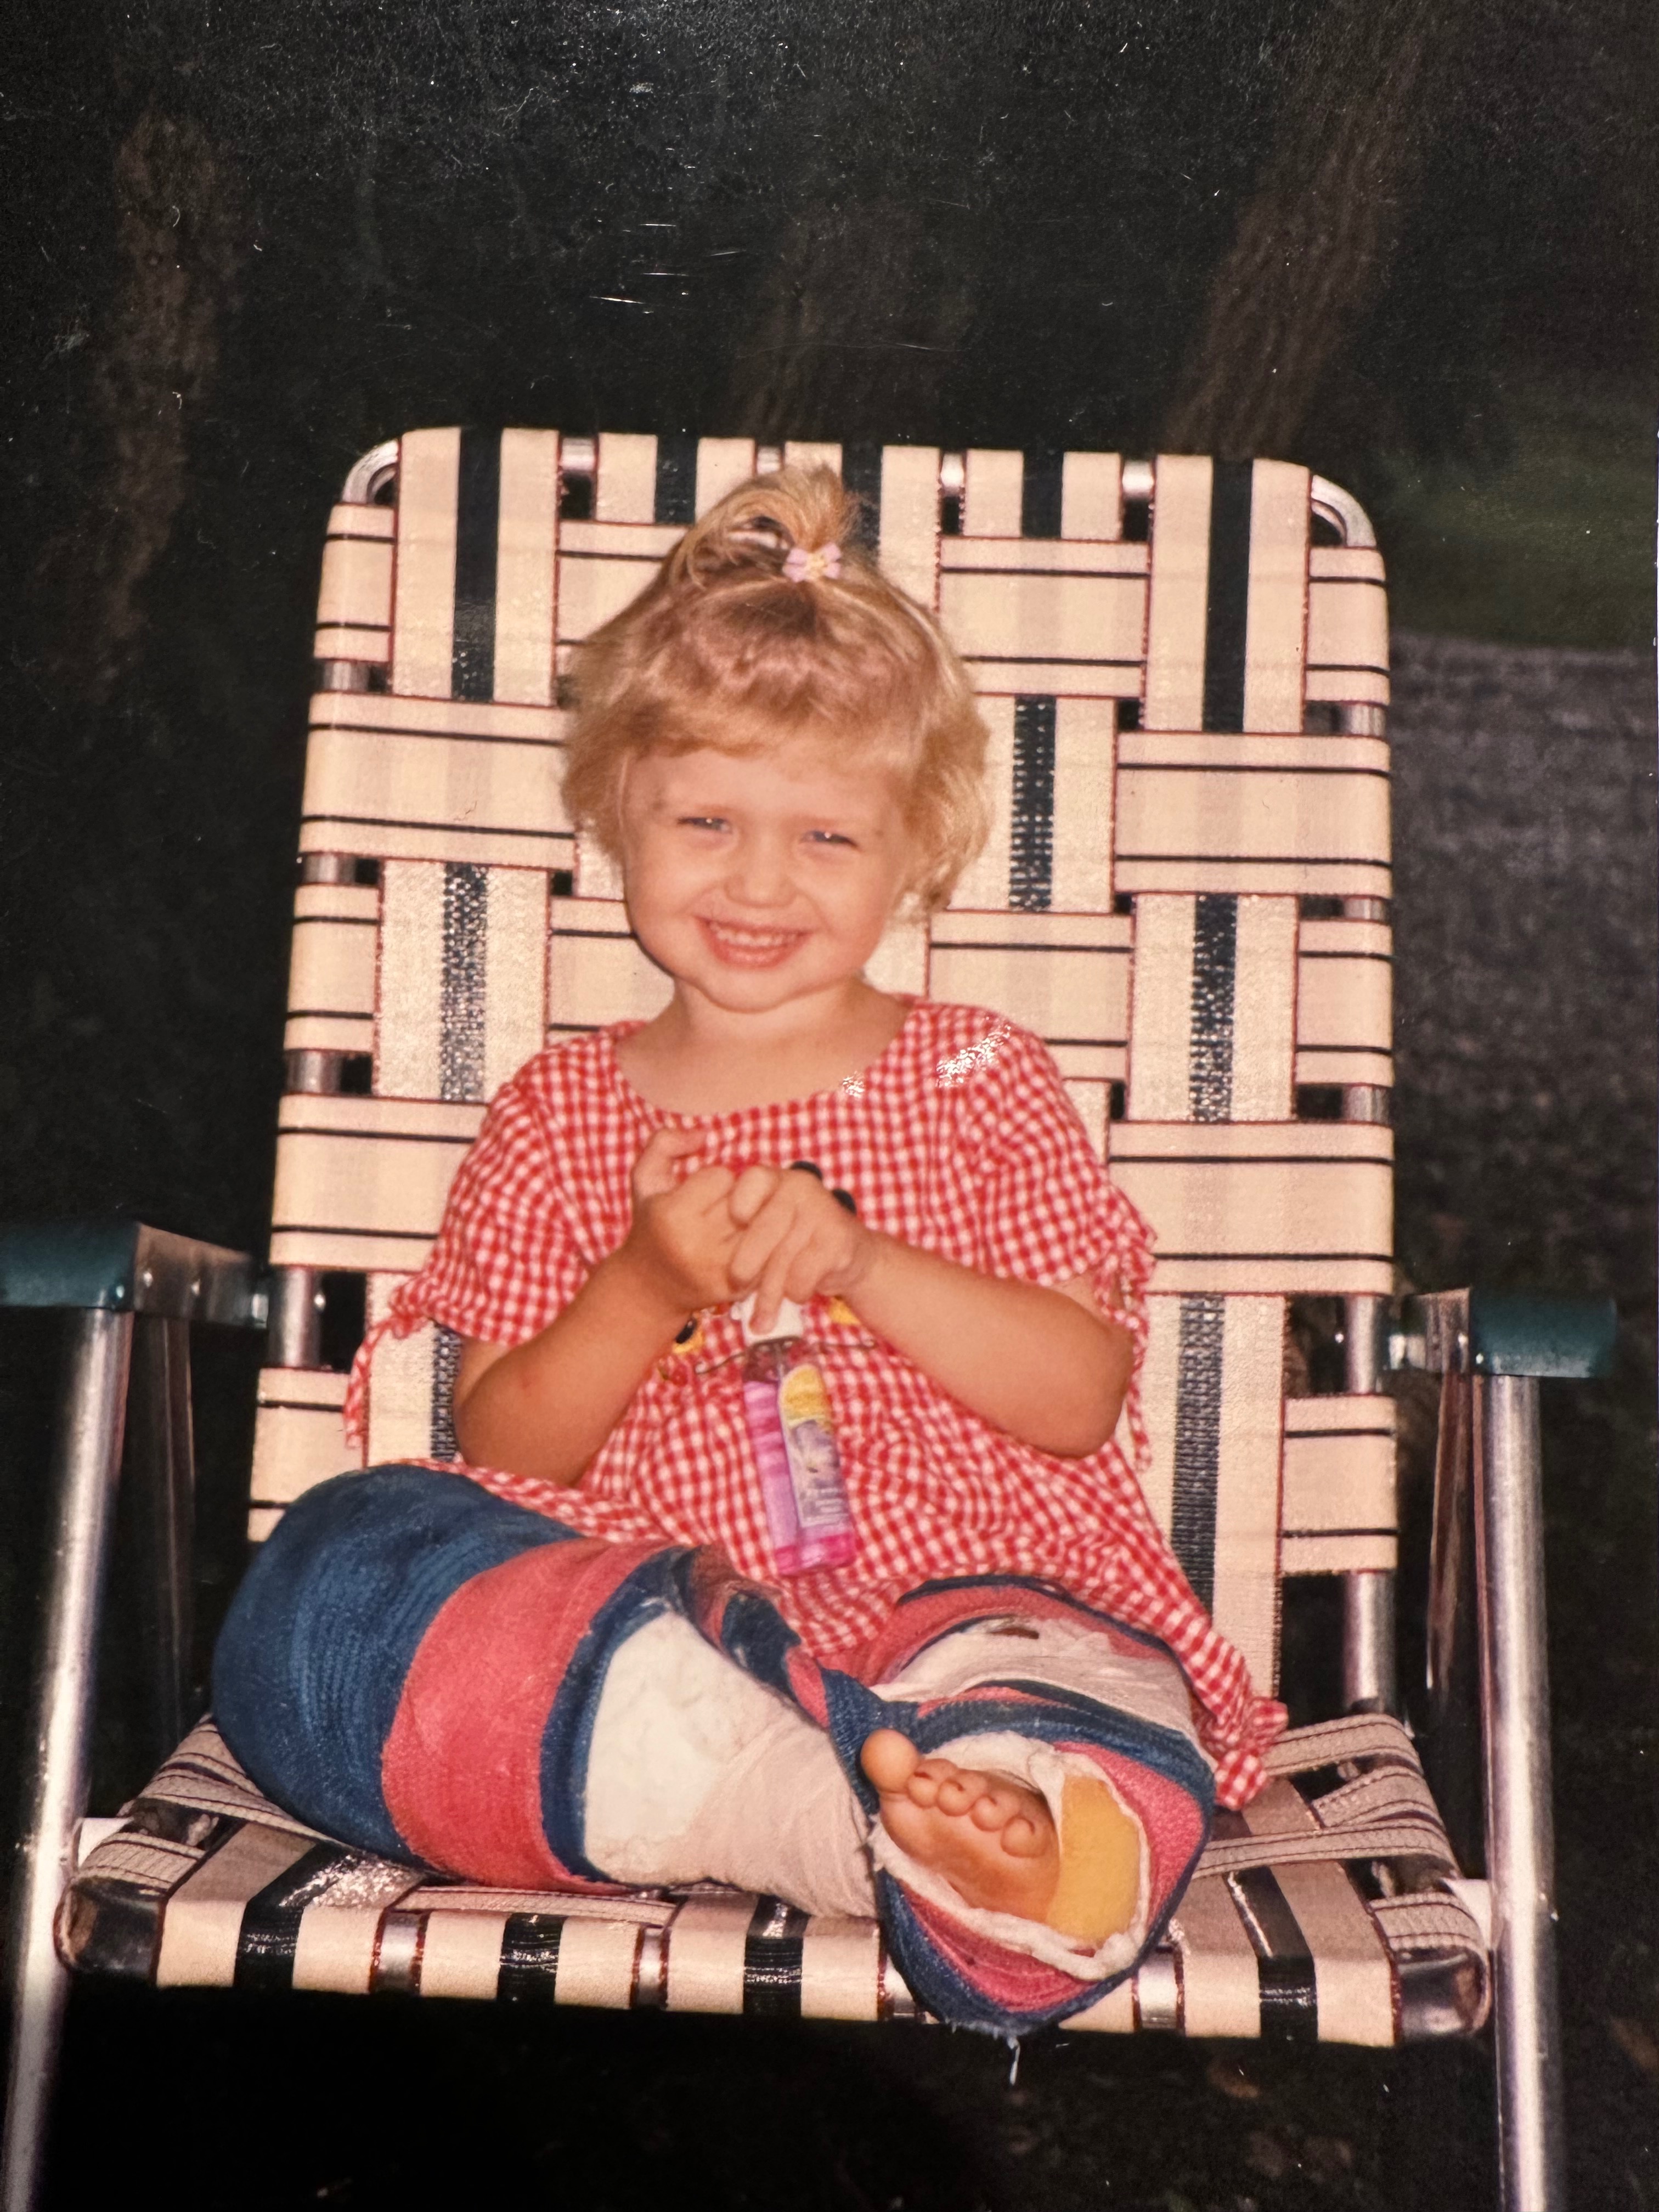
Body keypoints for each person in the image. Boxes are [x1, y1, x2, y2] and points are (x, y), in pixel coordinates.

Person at [214, 466, 1285, 2033]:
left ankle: (1009, 1816)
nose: (760, 882)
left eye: (826, 835)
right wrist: (644, 1286)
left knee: (1070, 1682)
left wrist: (862, 1263)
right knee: (331, 1580)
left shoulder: (980, 1080)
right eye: (706, 821)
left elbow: (1075, 1399)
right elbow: (507, 1446)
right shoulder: (558, 1114)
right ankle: (918, 1827)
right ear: (618, 817)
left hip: (983, 1600)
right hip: (669, 1617)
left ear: (915, 851)